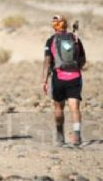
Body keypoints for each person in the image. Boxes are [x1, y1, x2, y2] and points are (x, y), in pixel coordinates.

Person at [41, 14, 86, 146]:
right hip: (75, 78)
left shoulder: (51, 41)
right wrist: (76, 69)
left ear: (54, 26)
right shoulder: (75, 39)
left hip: (58, 78)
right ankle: (77, 136)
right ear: (65, 25)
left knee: (58, 107)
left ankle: (60, 136)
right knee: (75, 107)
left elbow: (47, 62)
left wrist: (44, 80)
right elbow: (83, 60)